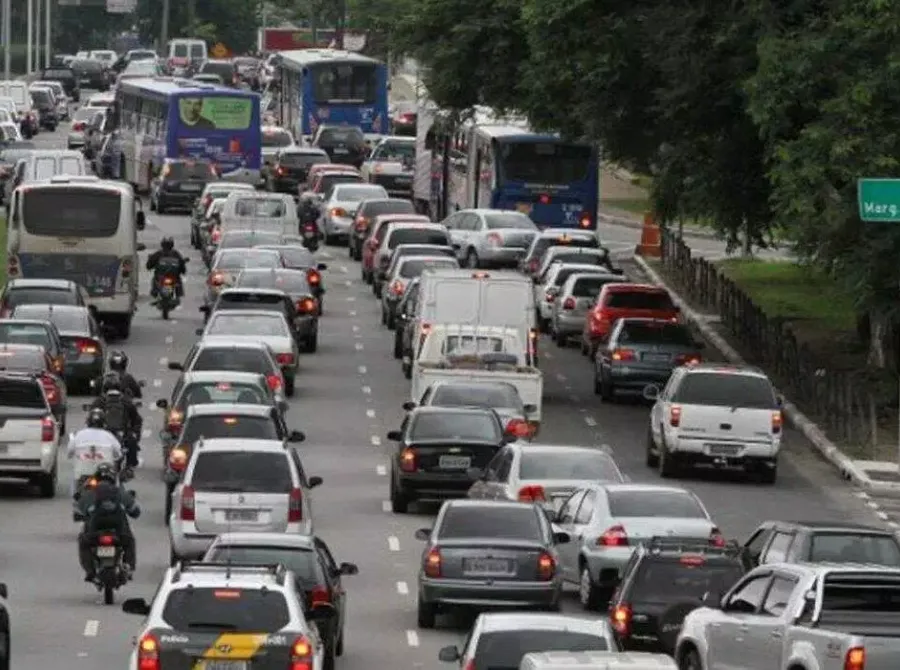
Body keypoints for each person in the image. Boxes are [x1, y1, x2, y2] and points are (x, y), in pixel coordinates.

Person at [77, 463, 140, 580]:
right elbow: (135, 512)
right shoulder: (120, 492)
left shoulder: (89, 493)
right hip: (120, 533)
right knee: (129, 542)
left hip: (94, 534)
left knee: (83, 542)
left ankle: (90, 570)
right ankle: (128, 566)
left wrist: (82, 515)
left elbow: (78, 512)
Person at [67, 408, 123, 497]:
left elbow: (69, 452)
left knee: (76, 494)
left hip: (82, 476)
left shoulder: (79, 435)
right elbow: (118, 454)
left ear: (88, 422)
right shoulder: (109, 436)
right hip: (105, 476)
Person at [91, 373, 143, 467]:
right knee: (132, 443)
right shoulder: (126, 400)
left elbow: (91, 419)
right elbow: (136, 419)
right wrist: (135, 433)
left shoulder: (99, 401)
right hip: (121, 434)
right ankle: (130, 465)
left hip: (105, 435)